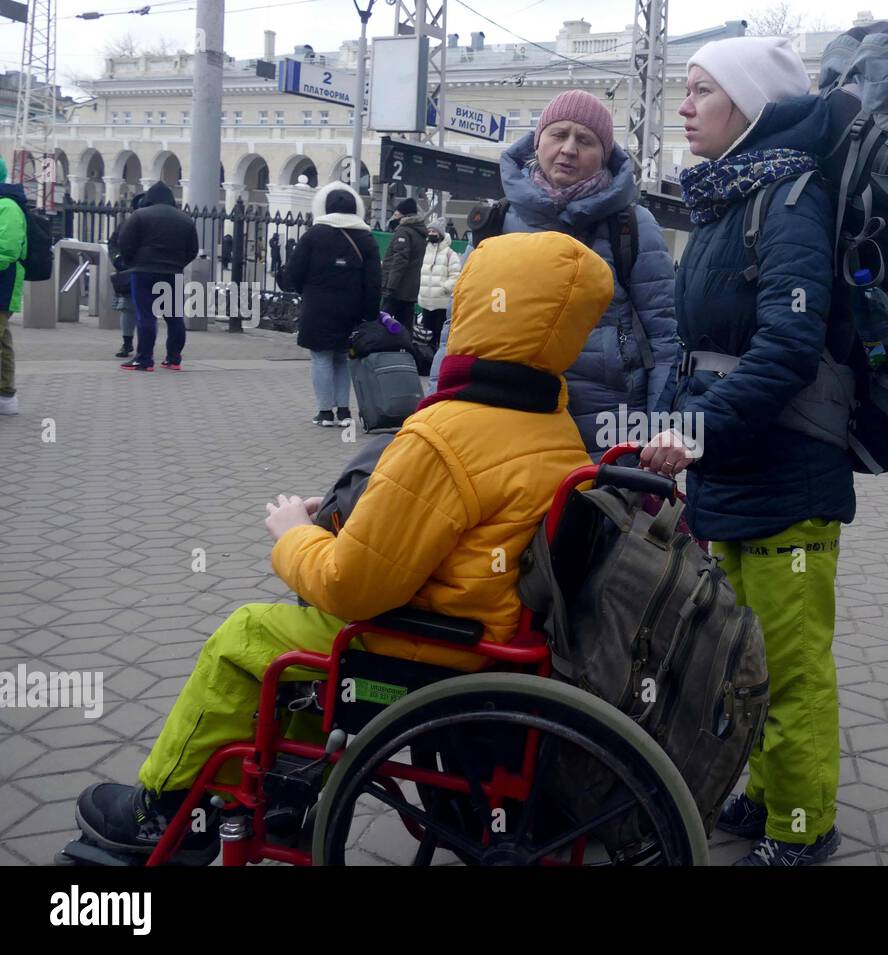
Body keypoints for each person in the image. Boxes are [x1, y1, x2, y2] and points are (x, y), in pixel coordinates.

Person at [71, 231, 615, 864]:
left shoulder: (447, 432)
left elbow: (353, 586)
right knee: (300, 633)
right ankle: (283, 798)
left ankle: (157, 809)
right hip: (493, 636)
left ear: (472, 307)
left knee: (246, 634)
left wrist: (293, 535)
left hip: (431, 649)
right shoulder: (555, 426)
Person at [641, 36, 850, 867]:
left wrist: (693, 431)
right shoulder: (733, 199)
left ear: (751, 105)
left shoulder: (792, 197)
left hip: (788, 474)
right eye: (684, 92)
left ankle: (804, 827)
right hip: (734, 466)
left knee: (792, 665)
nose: (684, 107)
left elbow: (787, 350)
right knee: (745, 653)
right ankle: (767, 793)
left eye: (701, 92)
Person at [429, 88, 678, 457]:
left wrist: (658, 429)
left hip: (606, 426)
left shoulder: (632, 227)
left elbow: (664, 337)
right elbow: (458, 328)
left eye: (585, 140)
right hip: (505, 414)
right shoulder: (495, 223)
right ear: (537, 141)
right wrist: (435, 408)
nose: (569, 149)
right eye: (558, 134)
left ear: (605, 154)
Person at [286, 180, 381, 427]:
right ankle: (344, 412)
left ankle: (325, 412)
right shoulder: (366, 238)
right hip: (352, 309)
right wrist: (369, 313)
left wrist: (304, 290)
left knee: (320, 357)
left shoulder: (314, 235)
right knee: (342, 356)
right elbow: (373, 281)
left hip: (318, 307)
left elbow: (294, 272)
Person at [116, 182, 199, 371]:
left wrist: (132, 262)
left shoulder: (139, 216)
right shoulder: (185, 220)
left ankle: (144, 359)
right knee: (174, 317)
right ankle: (173, 359)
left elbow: (125, 242)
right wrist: (178, 264)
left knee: (146, 315)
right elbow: (192, 250)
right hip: (172, 272)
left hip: (144, 271)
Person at [0, 156, 27, 415]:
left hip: (3, 284)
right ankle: (6, 395)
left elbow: (7, 250)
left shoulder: (7, 206)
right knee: (3, 341)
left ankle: (6, 396)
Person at [107, 193, 146, 359]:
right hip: (129, 270)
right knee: (128, 308)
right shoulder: (126, 224)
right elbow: (114, 243)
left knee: (140, 310)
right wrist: (118, 260)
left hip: (143, 270)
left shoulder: (148, 224)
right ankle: (128, 342)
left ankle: (142, 344)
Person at [379, 197, 427, 333]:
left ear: (403, 214)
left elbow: (400, 260)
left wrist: (390, 286)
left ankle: (381, 350)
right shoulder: (419, 232)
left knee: (383, 320)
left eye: (397, 212)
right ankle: (405, 351)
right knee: (405, 326)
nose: (395, 215)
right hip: (410, 290)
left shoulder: (404, 231)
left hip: (397, 288)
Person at [417, 216, 461, 348]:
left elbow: (456, 275)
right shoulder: (424, 250)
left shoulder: (450, 254)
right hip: (426, 301)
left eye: (434, 232)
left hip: (442, 302)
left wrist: (444, 288)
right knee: (426, 336)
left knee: (440, 334)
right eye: (429, 231)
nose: (431, 234)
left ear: (441, 234)